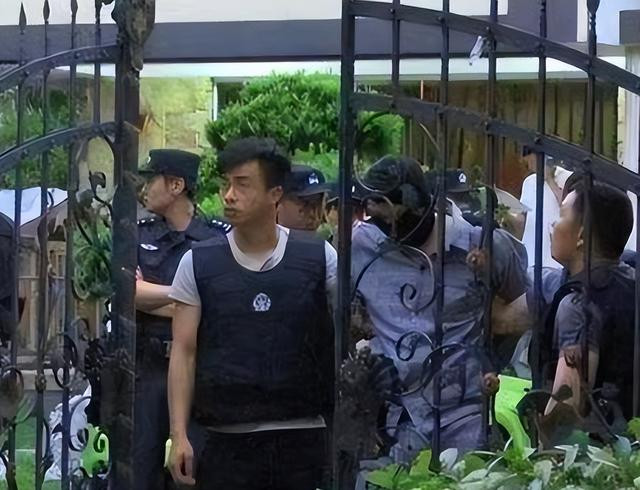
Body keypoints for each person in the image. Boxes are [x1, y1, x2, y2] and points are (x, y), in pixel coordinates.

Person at [167, 137, 337, 490]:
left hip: (302, 436)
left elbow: (345, 337)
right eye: (226, 184)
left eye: (242, 184)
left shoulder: (320, 258)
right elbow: (184, 352)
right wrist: (179, 434)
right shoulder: (197, 263)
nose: (229, 195)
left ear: (275, 194)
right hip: (225, 439)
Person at [351, 156, 528, 461]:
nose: (387, 229)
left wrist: (493, 357)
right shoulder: (362, 247)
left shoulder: (483, 247)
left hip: (466, 416)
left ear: (419, 206)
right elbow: (343, 316)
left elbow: (521, 306)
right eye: (377, 219)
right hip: (398, 421)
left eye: (393, 218)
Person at [133, 149, 230, 490]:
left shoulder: (218, 239)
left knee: (195, 471)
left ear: (176, 185)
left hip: (198, 369)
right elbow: (128, 293)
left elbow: (218, 305)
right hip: (147, 368)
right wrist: (187, 298)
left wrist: (154, 298)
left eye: (151, 179)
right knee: (139, 470)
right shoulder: (137, 234)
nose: (144, 188)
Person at [544, 182, 635, 424]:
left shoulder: (578, 305)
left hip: (604, 442)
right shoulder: (632, 282)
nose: (553, 224)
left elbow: (566, 412)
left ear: (581, 236)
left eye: (562, 215)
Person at [518, 148, 572, 269]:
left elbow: (568, 206)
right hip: (531, 257)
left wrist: (549, 179)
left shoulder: (567, 177)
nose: (530, 167)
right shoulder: (529, 182)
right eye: (527, 164)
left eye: (532, 162)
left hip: (555, 261)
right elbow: (523, 218)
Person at [277, 164, 331, 234]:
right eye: (304, 203)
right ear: (277, 202)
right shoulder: (264, 239)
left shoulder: (326, 240)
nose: (313, 214)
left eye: (317, 204)